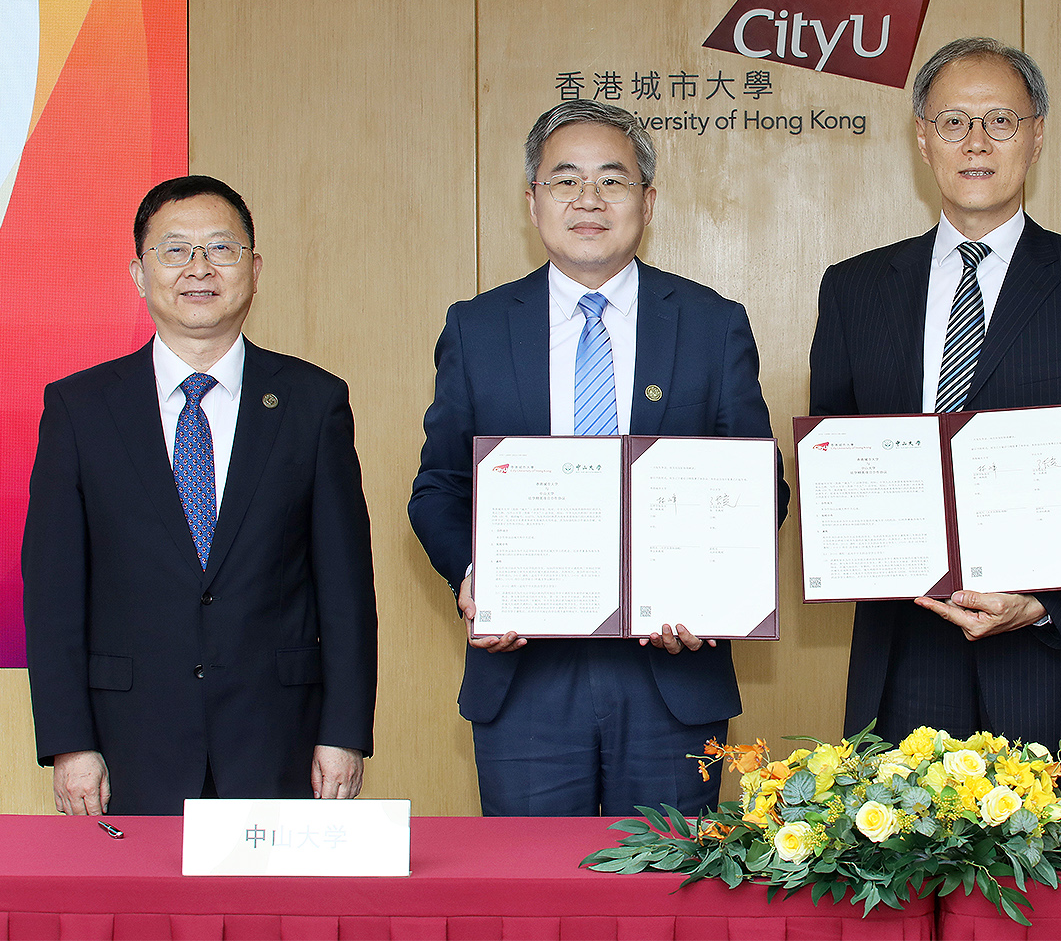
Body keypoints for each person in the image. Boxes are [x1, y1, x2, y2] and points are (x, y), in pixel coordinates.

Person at [409, 99, 788, 817]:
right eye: (565, 180)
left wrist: (714, 588)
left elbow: (760, 485)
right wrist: (472, 575)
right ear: (532, 201)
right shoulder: (478, 327)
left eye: (613, 181)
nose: (589, 199)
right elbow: (439, 487)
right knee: (532, 907)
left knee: (673, 902)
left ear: (648, 200)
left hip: (672, 677)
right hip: (524, 681)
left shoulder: (712, 324)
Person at [808, 37, 1061, 789]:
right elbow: (835, 458)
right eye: (954, 122)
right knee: (897, 897)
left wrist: (1042, 600)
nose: (976, 142)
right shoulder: (855, 289)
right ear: (922, 138)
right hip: (905, 656)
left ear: (1036, 136)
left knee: (1053, 903)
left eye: (1001, 121)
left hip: (1053, 659)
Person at [22, 175, 379, 816]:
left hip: (279, 738)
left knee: (269, 918)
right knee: (140, 918)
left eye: (221, 248)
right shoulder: (79, 408)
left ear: (254, 268)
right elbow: (52, 594)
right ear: (139, 272)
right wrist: (69, 743)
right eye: (175, 250)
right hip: (127, 740)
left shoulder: (312, 402)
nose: (199, 269)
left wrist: (344, 732)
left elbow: (346, 586)